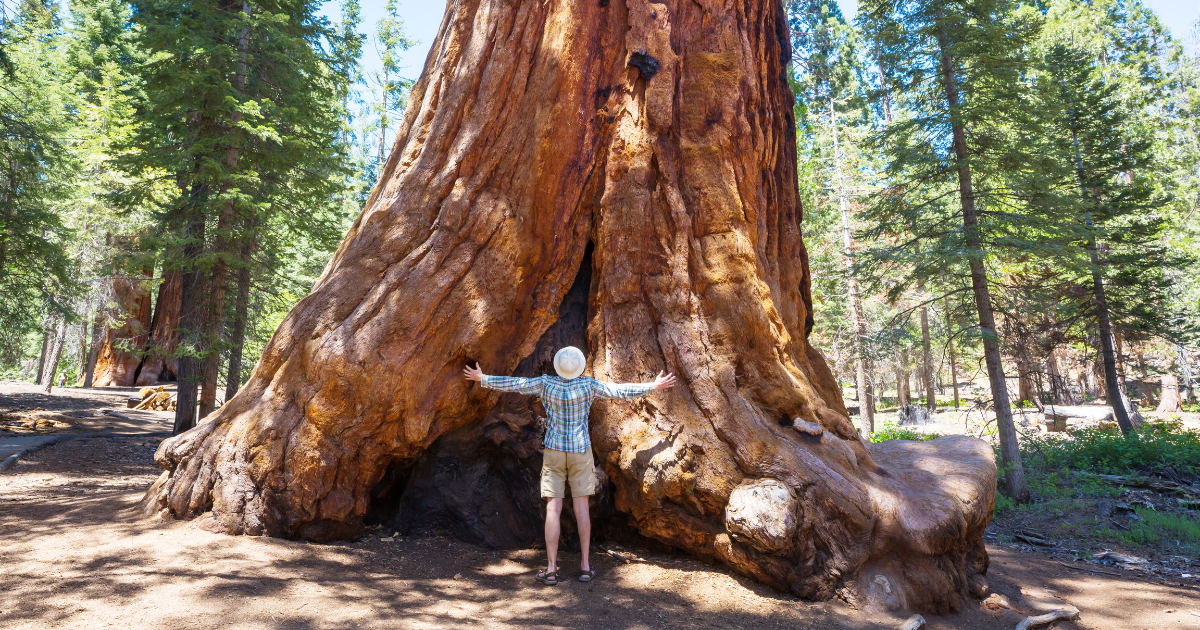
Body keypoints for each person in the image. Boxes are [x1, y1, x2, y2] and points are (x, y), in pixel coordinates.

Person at [463, 346, 676, 585]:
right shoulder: (588, 386)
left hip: (554, 451)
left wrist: (483, 378)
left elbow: (516, 384)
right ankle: (585, 566)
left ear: (558, 366)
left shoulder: (545, 384)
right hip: (580, 452)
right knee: (582, 509)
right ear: (580, 366)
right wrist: (652, 386)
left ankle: (552, 569)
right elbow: (619, 390)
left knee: (553, 510)